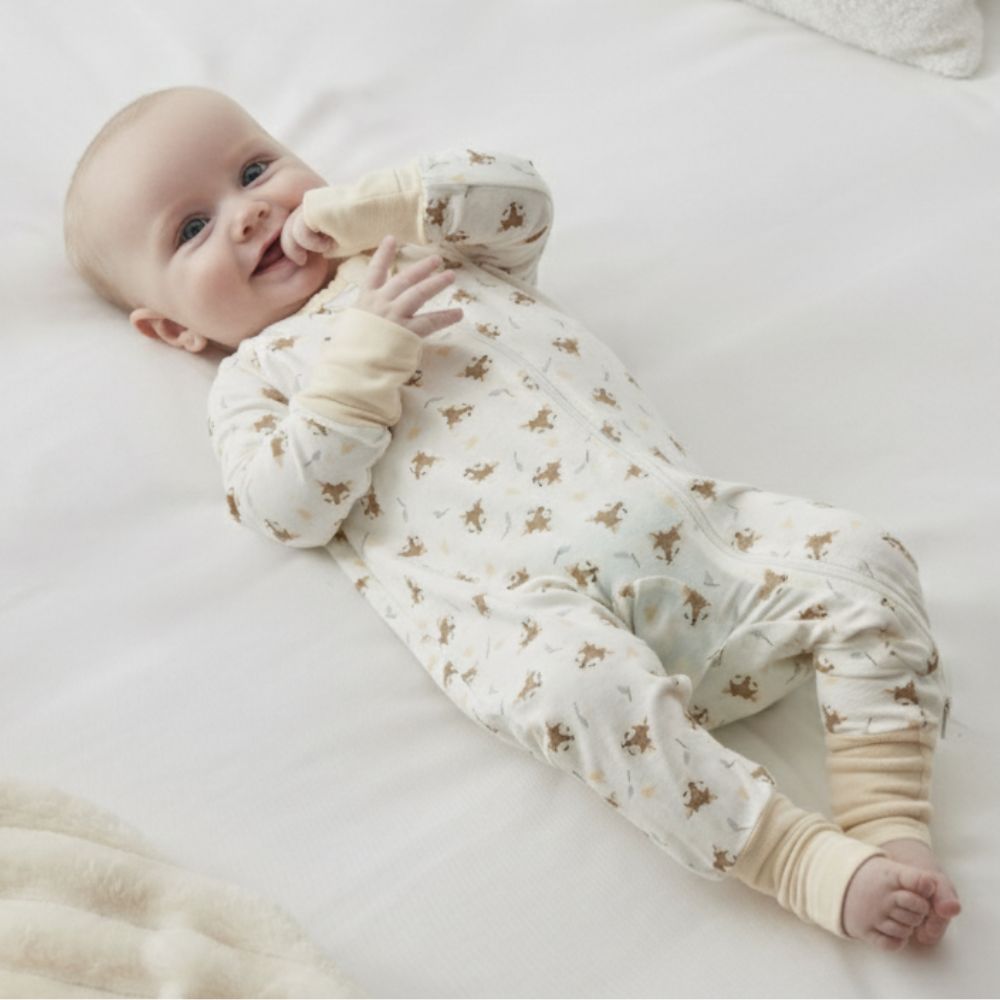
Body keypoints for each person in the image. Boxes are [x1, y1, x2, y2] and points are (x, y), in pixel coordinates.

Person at [63, 85, 961, 951]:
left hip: (700, 538)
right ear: (172, 331)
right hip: (531, 612)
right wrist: (361, 359)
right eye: (192, 229)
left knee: (862, 556)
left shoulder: (426, 250)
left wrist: (377, 207)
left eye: (255, 170)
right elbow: (281, 505)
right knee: (579, 695)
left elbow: (519, 198)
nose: (248, 214)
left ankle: (888, 816)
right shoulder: (258, 376)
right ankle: (798, 859)